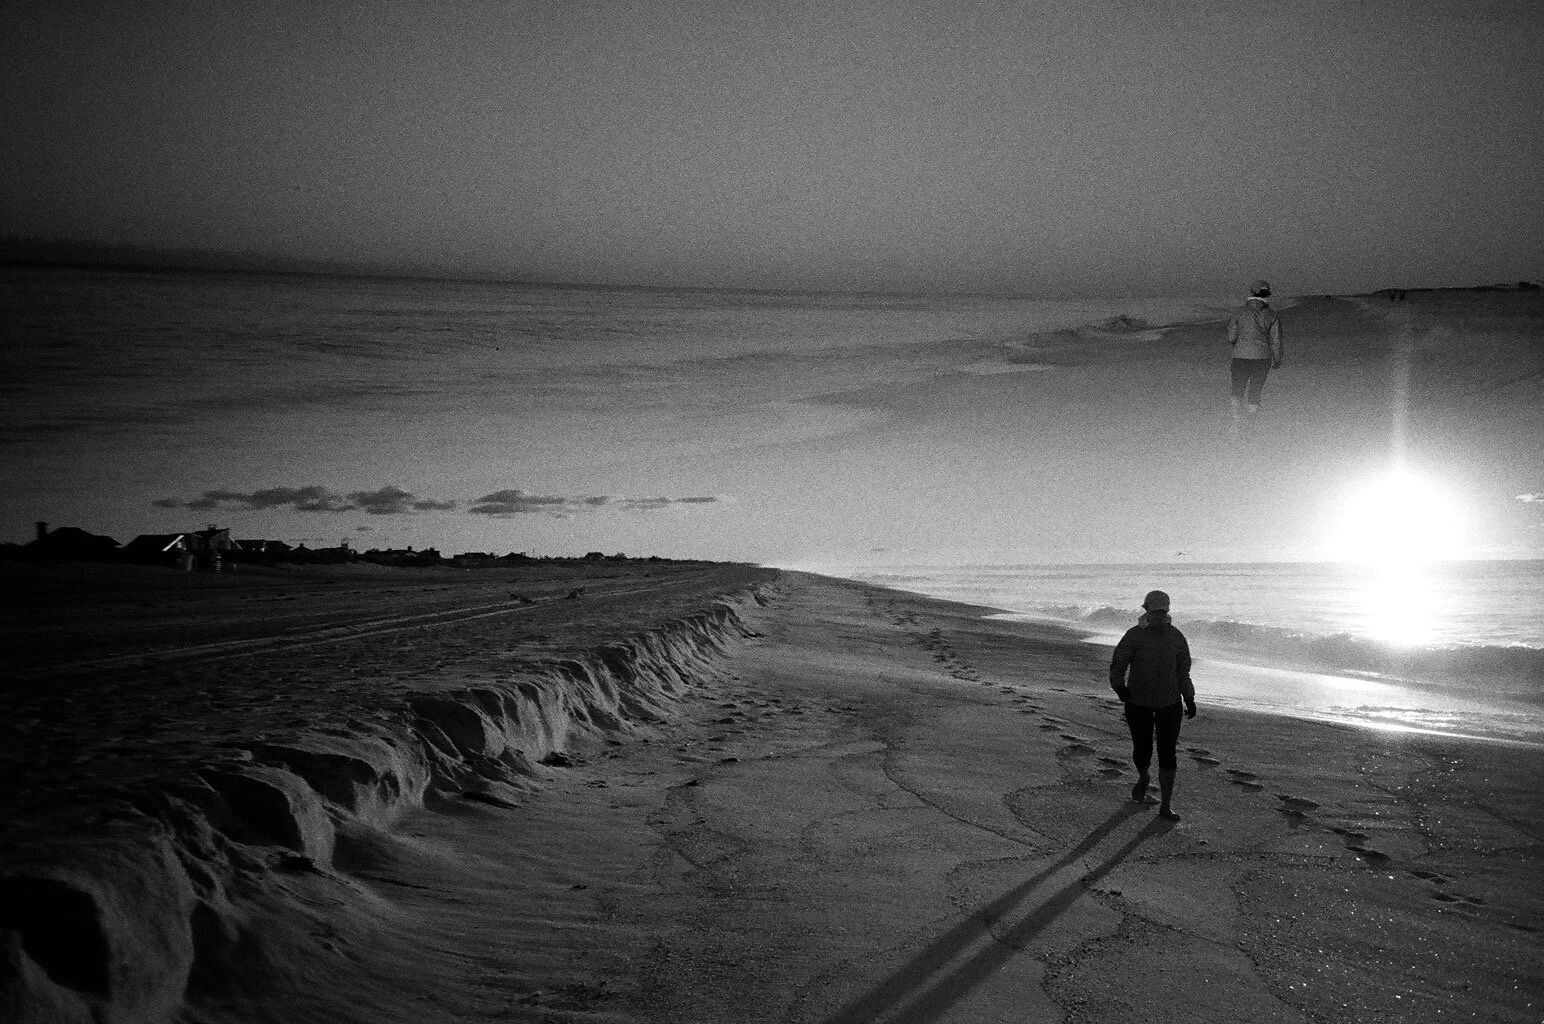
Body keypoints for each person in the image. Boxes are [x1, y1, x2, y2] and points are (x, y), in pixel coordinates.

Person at [1109, 589, 1196, 821]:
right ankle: (1144, 776)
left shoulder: (1176, 637)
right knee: (1142, 749)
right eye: (1154, 610)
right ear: (1146, 610)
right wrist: (1120, 689)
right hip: (1138, 702)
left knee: (1168, 754)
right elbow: (1117, 666)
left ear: (1167, 611)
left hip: (1170, 704)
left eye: (1162, 611)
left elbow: (1183, 672)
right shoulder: (1134, 636)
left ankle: (1166, 805)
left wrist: (1189, 698)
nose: (1158, 615)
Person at [1226, 279, 1284, 433]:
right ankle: (1251, 424)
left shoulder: (1238, 312)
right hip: (1262, 359)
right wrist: (1277, 359)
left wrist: (1239, 346)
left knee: (1237, 389)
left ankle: (1236, 423)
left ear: (1251, 293)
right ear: (1267, 294)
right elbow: (1276, 340)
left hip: (1240, 357)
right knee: (1255, 390)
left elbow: (1231, 336)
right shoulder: (1271, 315)